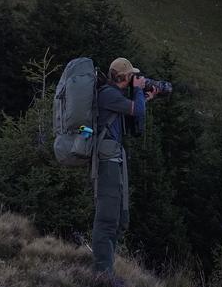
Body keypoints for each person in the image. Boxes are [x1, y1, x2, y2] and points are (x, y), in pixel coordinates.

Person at [92, 57, 157, 280]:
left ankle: (106, 272)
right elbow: (135, 111)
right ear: (123, 77)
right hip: (108, 160)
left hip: (115, 158)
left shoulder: (114, 96)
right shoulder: (109, 95)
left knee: (120, 218)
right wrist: (139, 92)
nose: (134, 80)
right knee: (106, 219)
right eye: (131, 76)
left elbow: (133, 117)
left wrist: (144, 98)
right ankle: (102, 276)